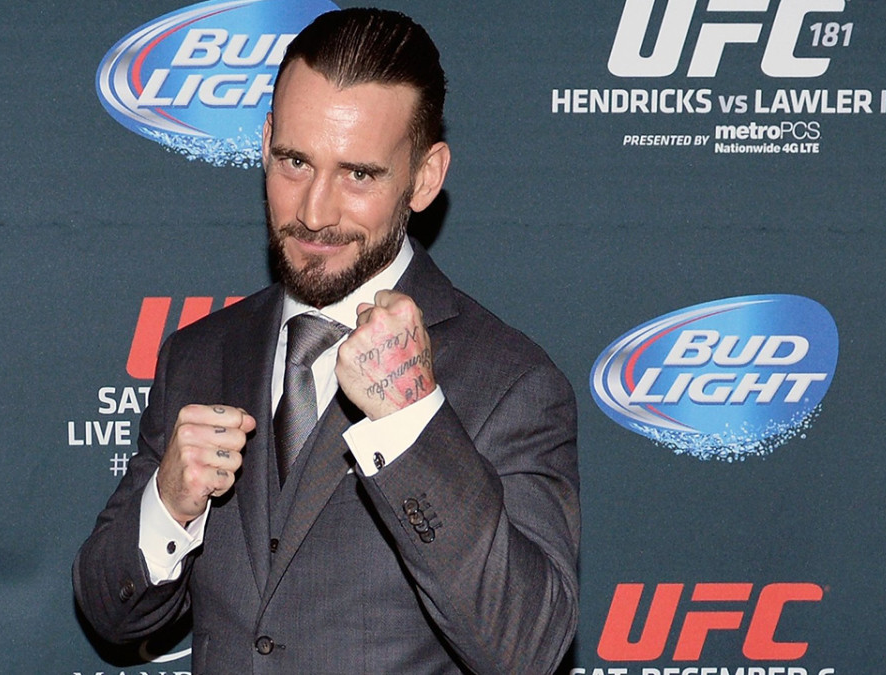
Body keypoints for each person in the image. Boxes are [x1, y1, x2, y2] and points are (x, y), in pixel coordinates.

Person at [74, 8, 579, 673]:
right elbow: (110, 613)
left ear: (424, 178)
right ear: (265, 143)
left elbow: (528, 649)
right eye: (294, 161)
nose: (313, 212)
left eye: (358, 174)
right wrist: (168, 507)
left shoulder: (512, 382)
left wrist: (411, 423)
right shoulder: (200, 354)